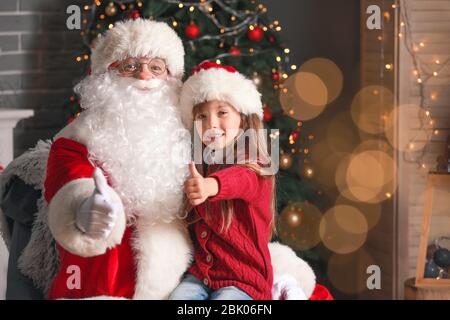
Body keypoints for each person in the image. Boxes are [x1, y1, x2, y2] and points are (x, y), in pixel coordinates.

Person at [0, 18, 324, 300]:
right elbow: (68, 176)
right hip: (117, 280)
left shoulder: (187, 132)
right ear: (106, 76)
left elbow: (248, 177)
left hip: (203, 273)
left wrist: (212, 185)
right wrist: (85, 207)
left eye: (157, 67)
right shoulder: (83, 135)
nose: (144, 76)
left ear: (172, 80)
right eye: (130, 65)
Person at [170, 62, 275, 300]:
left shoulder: (257, 164)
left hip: (243, 280)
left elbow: (242, 179)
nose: (211, 124)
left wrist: (211, 186)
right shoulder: (198, 161)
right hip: (200, 276)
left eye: (222, 112)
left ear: (244, 120)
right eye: (202, 116)